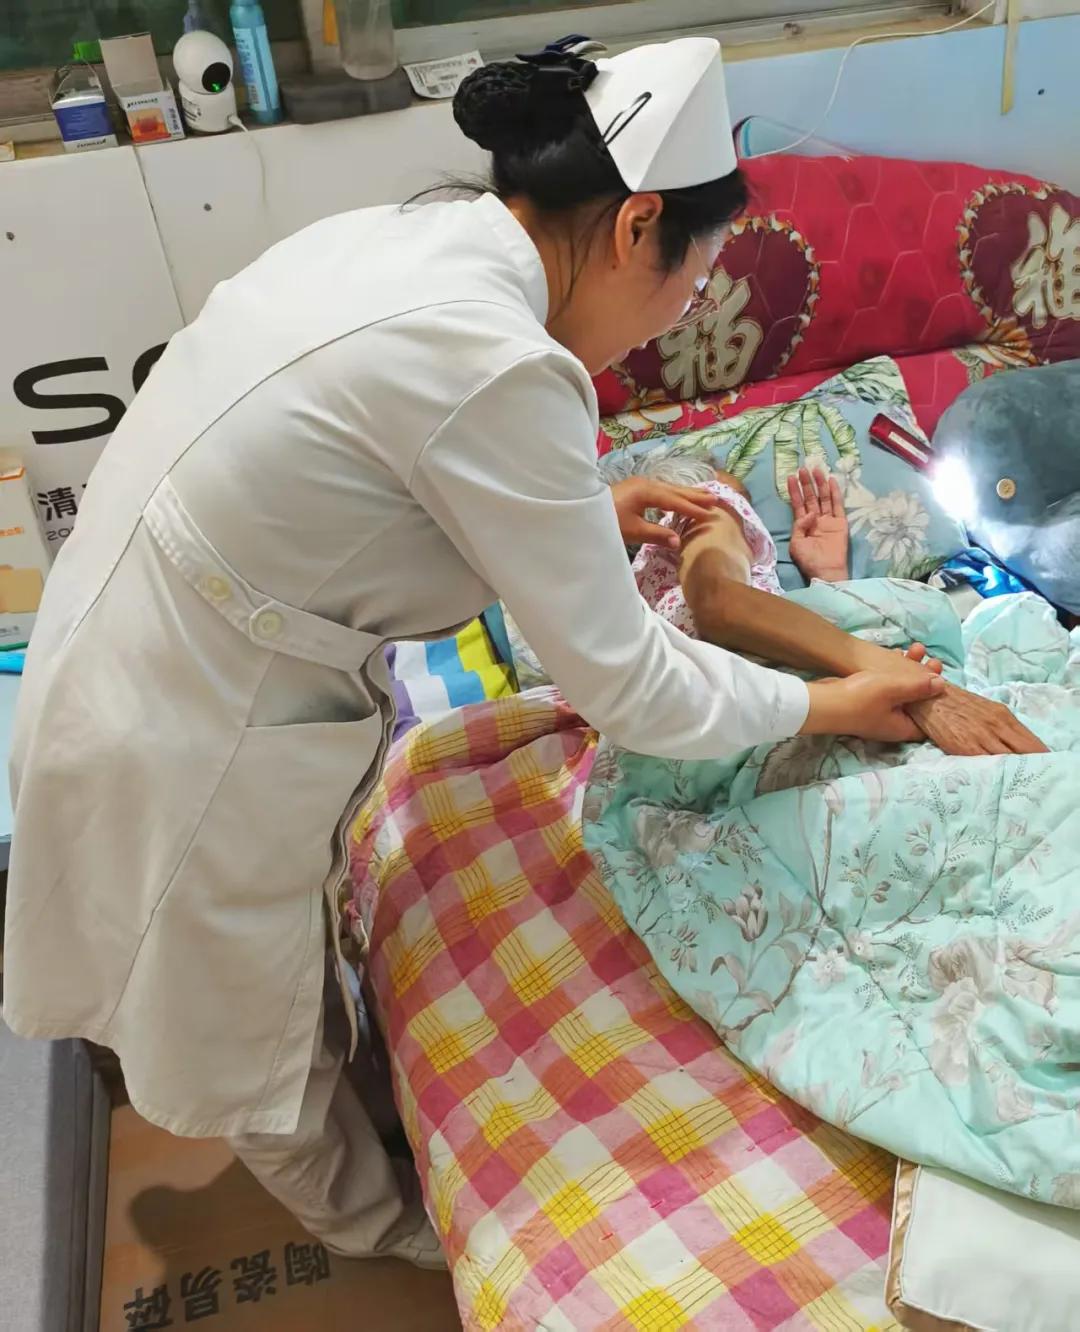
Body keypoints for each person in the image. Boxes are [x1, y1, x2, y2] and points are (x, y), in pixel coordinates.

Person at [1, 37, 947, 1267]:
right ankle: (388, 1236)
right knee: (245, 1034)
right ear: (637, 227)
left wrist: (583, 516)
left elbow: (389, 476)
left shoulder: (406, 242)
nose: (682, 313)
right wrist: (838, 700)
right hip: (184, 716)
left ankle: (370, 1135)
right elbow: (633, 686)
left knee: (264, 981)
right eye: (695, 278)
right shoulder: (499, 361)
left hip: (150, 633)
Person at [631, 464, 1046, 756]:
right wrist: (912, 683)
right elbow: (721, 604)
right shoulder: (704, 501)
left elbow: (772, 626)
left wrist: (832, 580)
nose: (747, 516)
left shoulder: (631, 603)